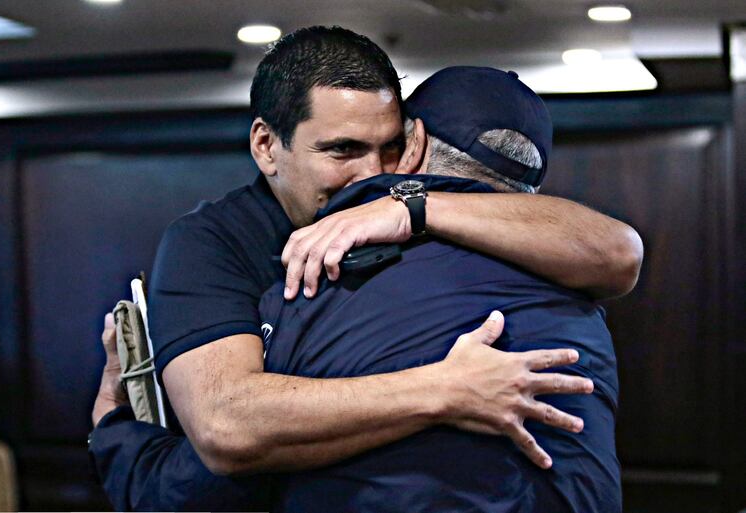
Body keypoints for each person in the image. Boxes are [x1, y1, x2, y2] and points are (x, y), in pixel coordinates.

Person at [89, 26, 641, 511]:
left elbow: (618, 252)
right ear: (266, 146)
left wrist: (412, 207)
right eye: (342, 150)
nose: (371, 173)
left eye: (390, 148)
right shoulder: (212, 242)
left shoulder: (410, 201)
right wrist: (443, 390)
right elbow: (226, 429)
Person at [259, 66, 621, 512]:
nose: (372, 169)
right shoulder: (576, 289)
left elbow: (243, 442)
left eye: (389, 145)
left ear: (415, 144)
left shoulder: (320, 271)